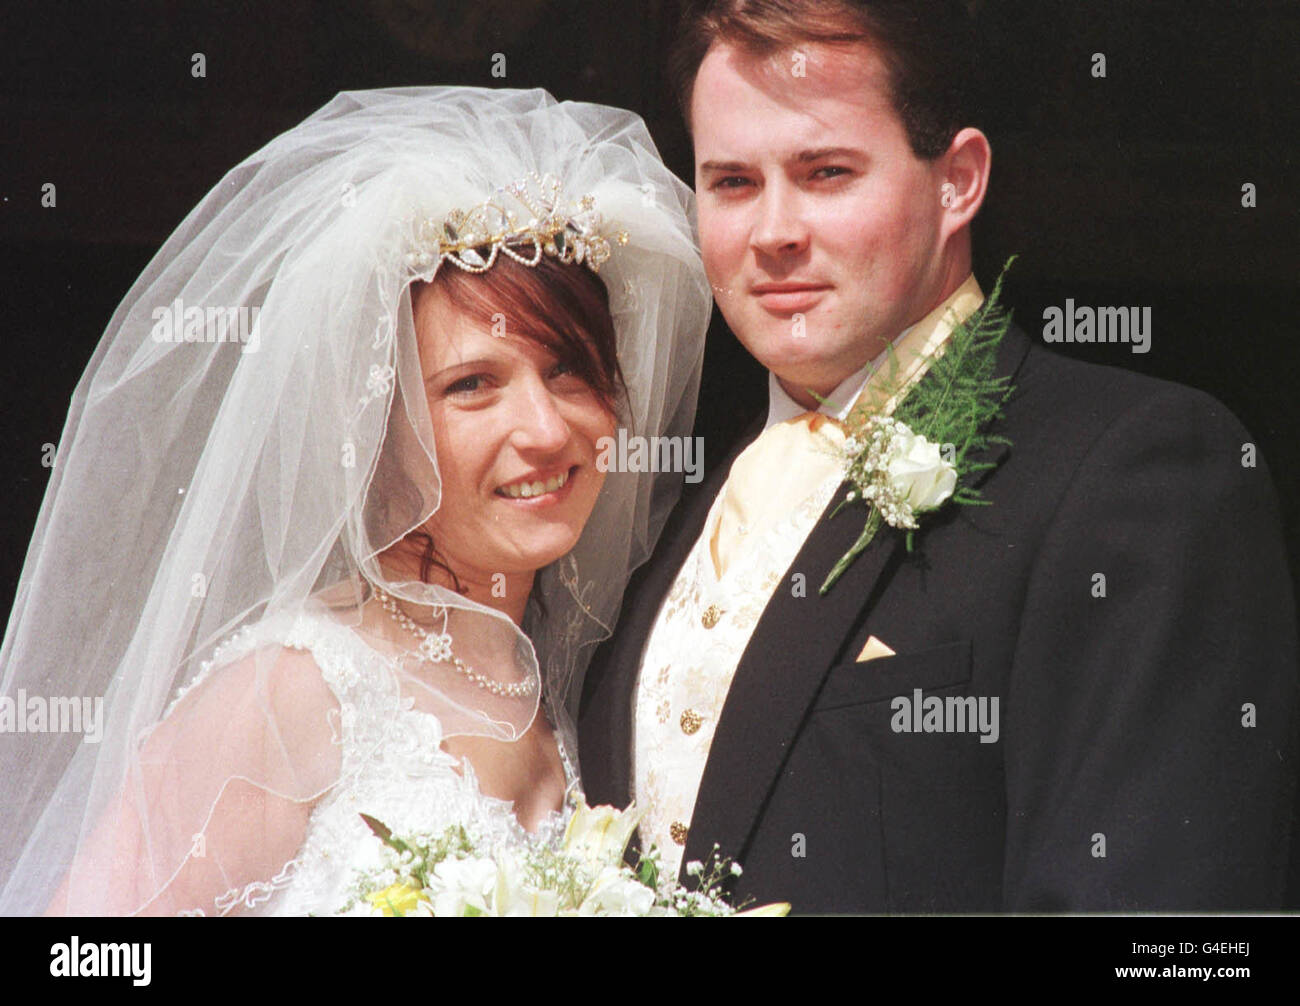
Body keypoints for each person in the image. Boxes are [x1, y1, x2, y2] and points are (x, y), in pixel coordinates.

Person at [579, 0, 1297, 912]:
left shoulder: (1136, 469)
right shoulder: (657, 508)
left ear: (958, 181)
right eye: (730, 183)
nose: (773, 231)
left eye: (826, 172)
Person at [0, 86, 710, 916]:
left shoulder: (581, 685)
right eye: (473, 386)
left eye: (570, 370)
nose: (547, 429)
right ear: (373, 427)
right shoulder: (291, 695)